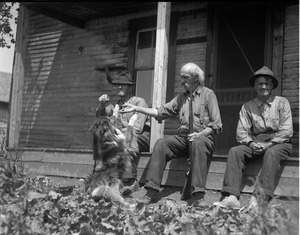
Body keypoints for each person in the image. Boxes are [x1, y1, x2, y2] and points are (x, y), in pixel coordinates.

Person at [120, 63, 222, 204]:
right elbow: (159, 111)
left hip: (203, 139)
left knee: (198, 143)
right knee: (161, 143)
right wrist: (137, 108)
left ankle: (198, 196)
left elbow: (216, 125)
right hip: (184, 139)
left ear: (196, 77)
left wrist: (200, 135)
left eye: (185, 77)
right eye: (181, 77)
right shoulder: (181, 98)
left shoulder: (208, 95)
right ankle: (151, 191)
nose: (182, 81)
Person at [213, 66, 293, 210]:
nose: (263, 86)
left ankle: (259, 199)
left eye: (267, 83)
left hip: (280, 143)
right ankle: (231, 197)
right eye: (260, 83)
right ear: (255, 86)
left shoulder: (282, 103)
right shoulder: (247, 107)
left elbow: (286, 132)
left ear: (272, 86)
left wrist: (268, 145)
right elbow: (241, 132)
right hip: (257, 143)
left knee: (272, 152)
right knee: (235, 151)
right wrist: (251, 143)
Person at [97, 71, 151, 196]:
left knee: (127, 135)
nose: (119, 87)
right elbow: (101, 116)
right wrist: (101, 104)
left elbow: (138, 128)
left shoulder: (139, 102)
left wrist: (117, 132)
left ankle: (131, 180)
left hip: (141, 138)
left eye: (123, 85)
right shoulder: (116, 105)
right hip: (124, 139)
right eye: (118, 85)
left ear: (130, 87)